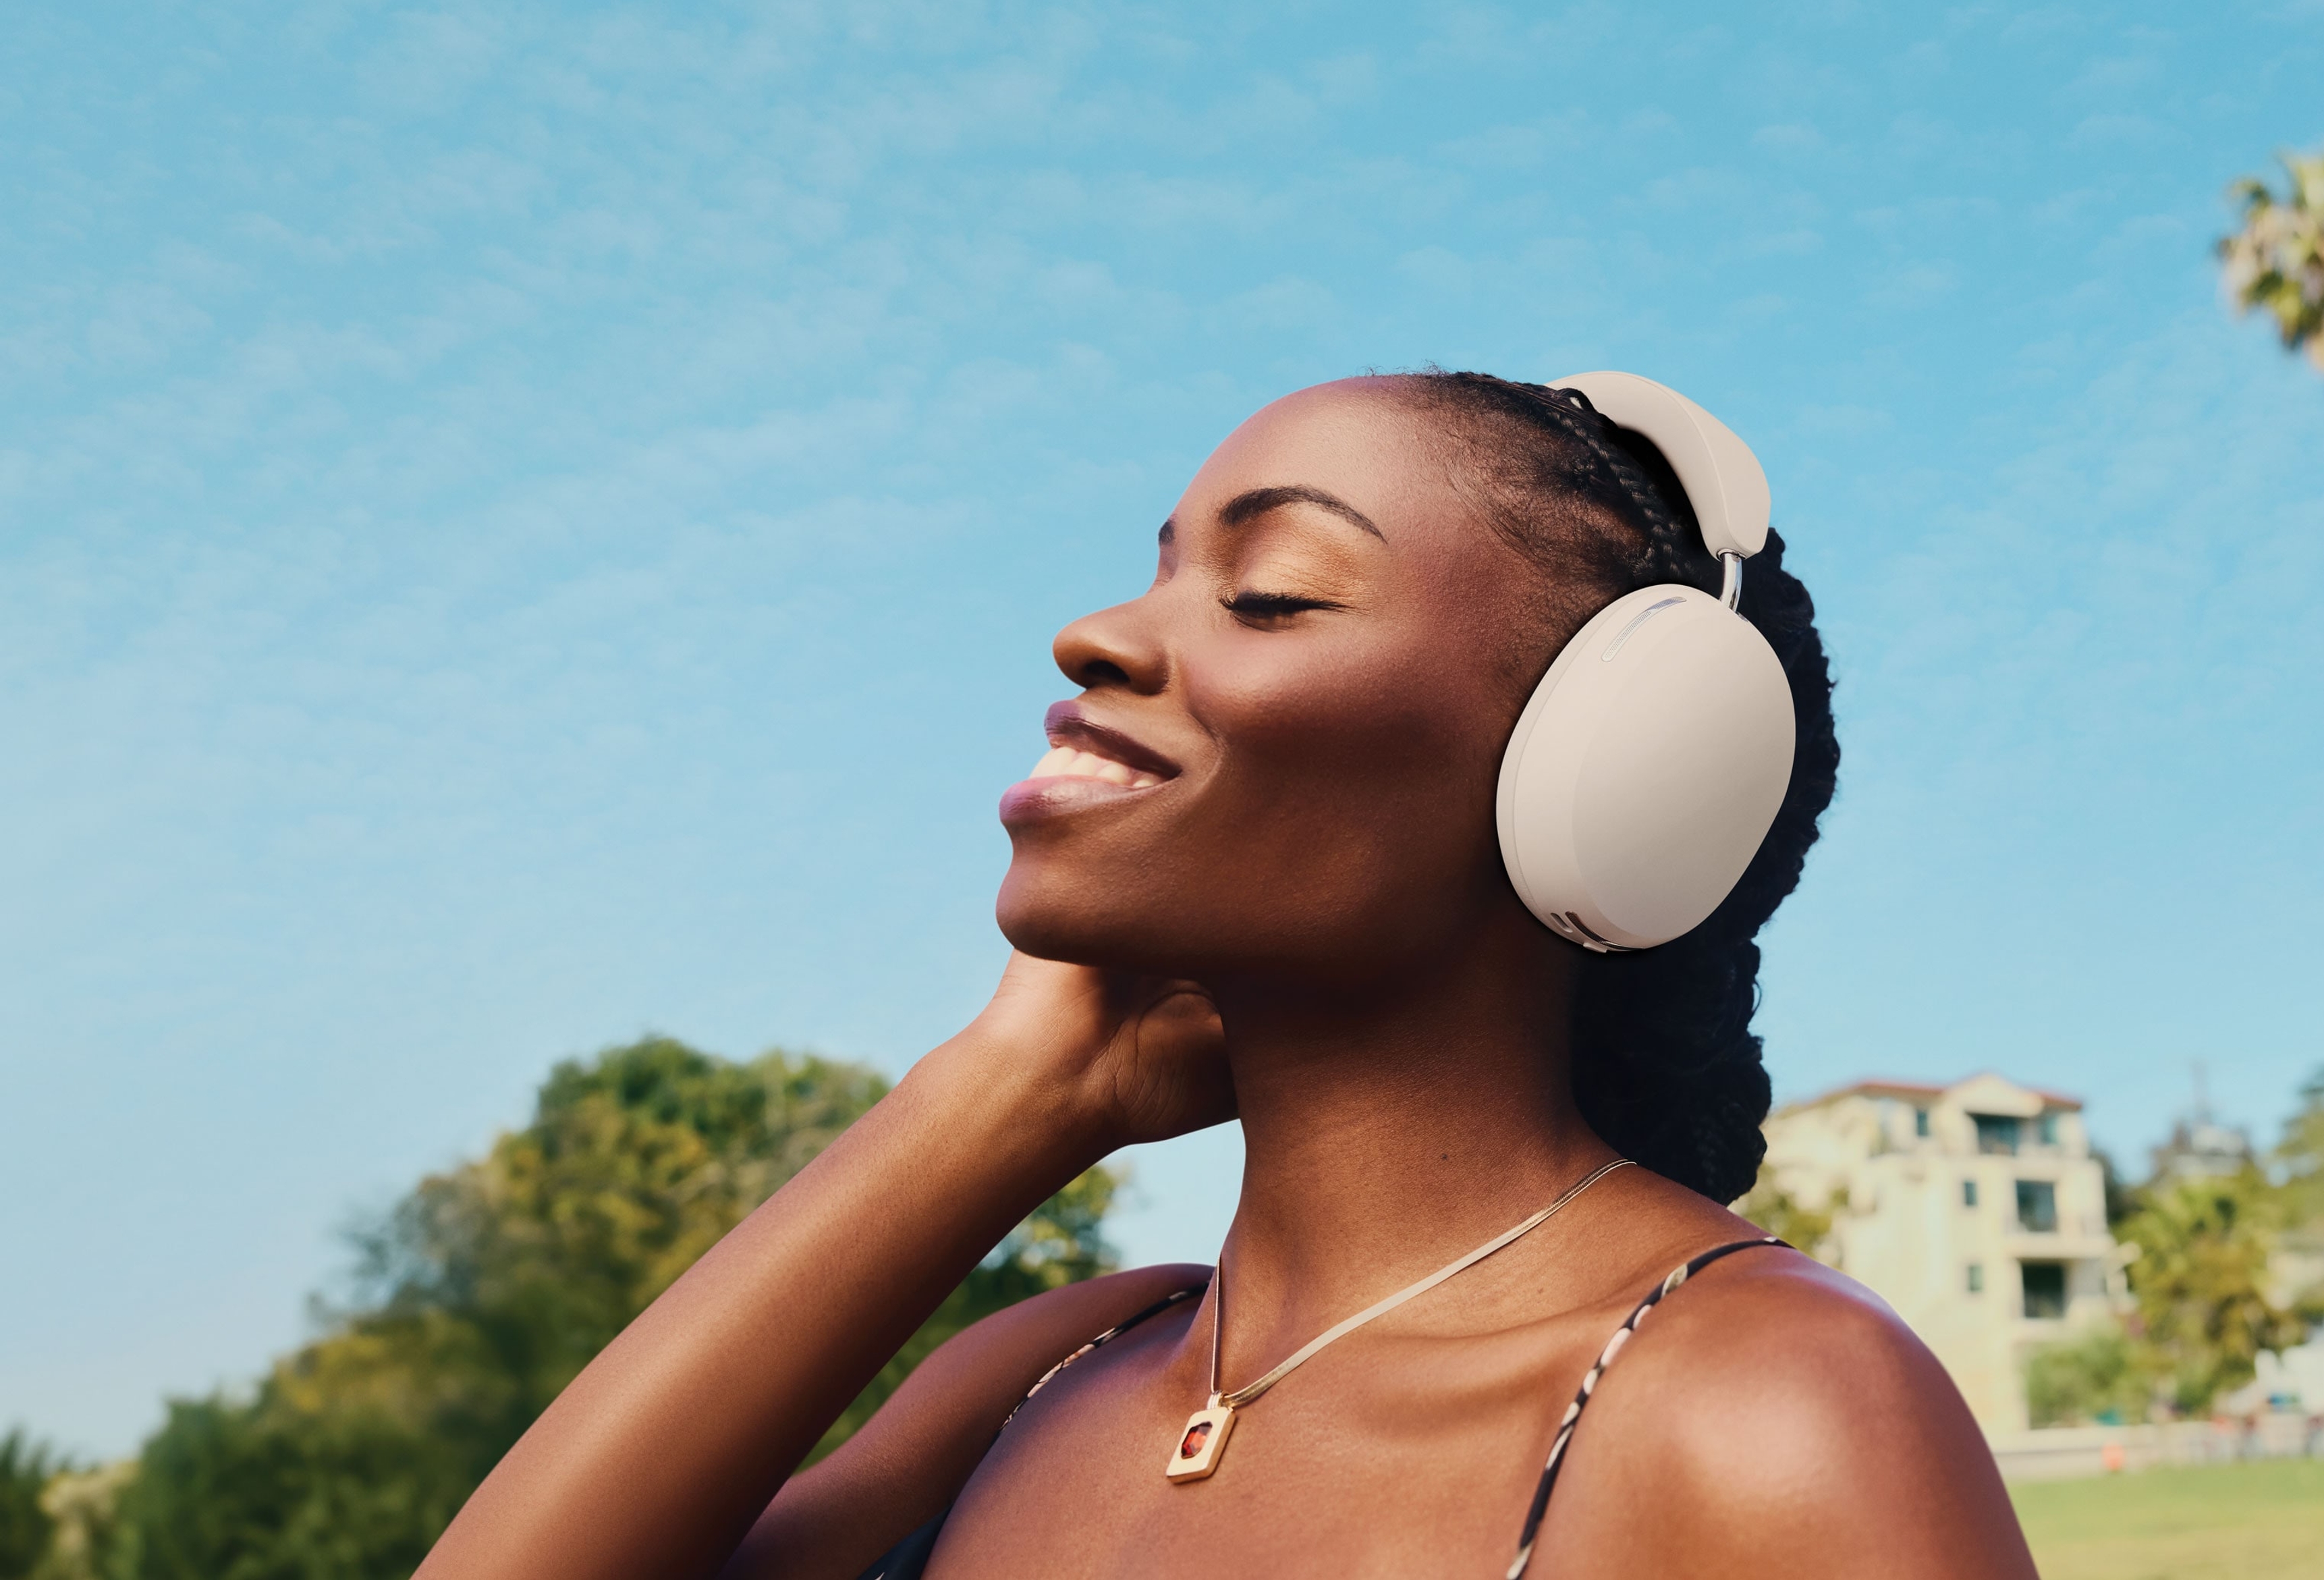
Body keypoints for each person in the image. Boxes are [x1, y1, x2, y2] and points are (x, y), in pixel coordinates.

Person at [418, 373, 2037, 1579]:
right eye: (1161, 568)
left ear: (1602, 773)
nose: (1095, 635)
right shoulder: (1049, 1366)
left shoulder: (1768, 1410)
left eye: (1268, 593)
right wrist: (1004, 1095)